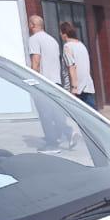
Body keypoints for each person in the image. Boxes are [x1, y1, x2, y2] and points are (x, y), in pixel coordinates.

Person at [27, 15, 68, 151]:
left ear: (32, 25)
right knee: (55, 111)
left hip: (43, 82)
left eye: (29, 24)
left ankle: (52, 143)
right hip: (56, 82)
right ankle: (66, 133)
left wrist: (33, 82)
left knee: (45, 114)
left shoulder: (34, 39)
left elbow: (36, 62)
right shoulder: (53, 40)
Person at [60, 21, 97, 108]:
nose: (60, 36)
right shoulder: (81, 45)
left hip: (76, 88)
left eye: (61, 33)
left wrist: (73, 88)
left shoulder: (67, 47)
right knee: (90, 113)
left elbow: (71, 67)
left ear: (65, 34)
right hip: (87, 85)